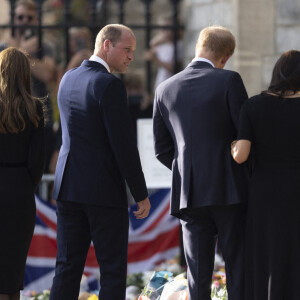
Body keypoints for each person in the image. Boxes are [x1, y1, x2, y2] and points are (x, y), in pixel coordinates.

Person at [49, 24, 151, 300]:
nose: (131, 56)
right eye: (127, 49)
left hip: (68, 189)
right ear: (107, 45)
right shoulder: (109, 84)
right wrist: (140, 193)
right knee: (113, 270)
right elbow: (123, 145)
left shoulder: (68, 78)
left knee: (67, 268)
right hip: (103, 192)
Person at [153, 25, 249, 300]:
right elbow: (245, 135)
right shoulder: (229, 81)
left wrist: (187, 169)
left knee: (197, 275)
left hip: (189, 194)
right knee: (237, 266)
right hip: (229, 188)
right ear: (225, 57)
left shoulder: (165, 88)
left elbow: (162, 149)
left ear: (198, 47)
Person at [231, 50, 300, 300]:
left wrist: (232, 146)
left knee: (267, 252)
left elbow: (241, 155)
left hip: (265, 189)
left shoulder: (254, 105)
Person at [0, 47, 45, 300]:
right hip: (20, 189)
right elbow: (37, 162)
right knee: (14, 270)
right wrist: (26, 186)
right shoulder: (34, 109)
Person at [0, 0, 56, 174]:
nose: (24, 21)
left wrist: (18, 53)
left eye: (28, 17)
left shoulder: (44, 45)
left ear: (35, 19)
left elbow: (47, 73)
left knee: (39, 167)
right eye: (20, 17)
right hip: (7, 114)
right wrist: (20, 50)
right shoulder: (3, 46)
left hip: (38, 115)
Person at [144, 14, 183, 90]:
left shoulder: (179, 45)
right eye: (162, 28)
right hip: (161, 86)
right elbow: (149, 51)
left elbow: (176, 68)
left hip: (172, 87)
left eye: (166, 28)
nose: (163, 31)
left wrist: (157, 60)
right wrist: (156, 41)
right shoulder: (163, 47)